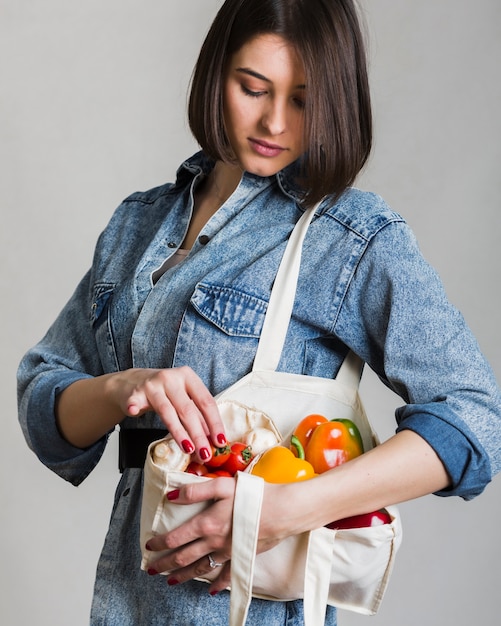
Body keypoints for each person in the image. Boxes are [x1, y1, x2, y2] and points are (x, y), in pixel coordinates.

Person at [17, 0, 501, 625]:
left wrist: (285, 510)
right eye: (253, 88)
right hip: (124, 604)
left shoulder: (347, 234)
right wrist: (123, 389)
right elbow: (45, 414)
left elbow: (473, 421)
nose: (275, 121)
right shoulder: (137, 224)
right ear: (217, 74)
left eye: (303, 100)